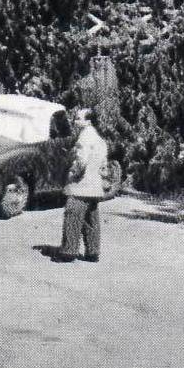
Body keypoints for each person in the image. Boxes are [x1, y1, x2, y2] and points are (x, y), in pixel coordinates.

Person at [55, 108, 109, 263]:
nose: (75, 121)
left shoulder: (84, 139)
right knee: (91, 220)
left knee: (72, 217)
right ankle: (93, 252)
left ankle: (68, 252)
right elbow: (103, 165)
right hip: (94, 185)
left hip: (81, 185)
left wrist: (72, 174)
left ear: (88, 122)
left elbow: (81, 161)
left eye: (78, 118)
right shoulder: (100, 140)